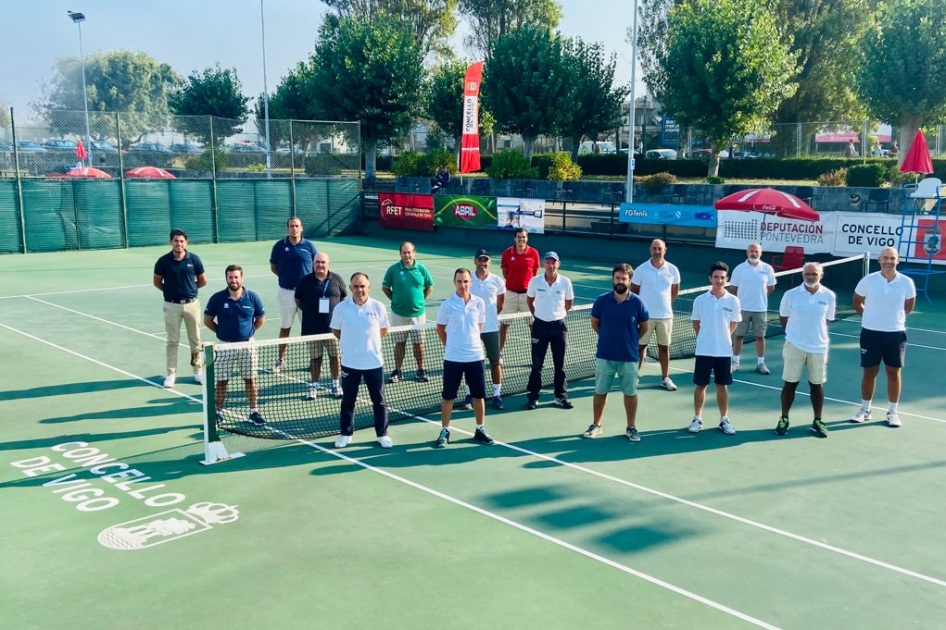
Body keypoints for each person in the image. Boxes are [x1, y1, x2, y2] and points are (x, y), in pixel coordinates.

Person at [849, 247, 916, 427]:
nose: (888, 261)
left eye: (892, 258)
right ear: (879, 260)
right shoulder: (868, 280)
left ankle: (892, 412)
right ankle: (865, 410)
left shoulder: (906, 282)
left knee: (893, 372)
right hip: (870, 333)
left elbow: (909, 304)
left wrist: (896, 319)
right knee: (869, 371)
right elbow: (857, 300)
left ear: (897, 260)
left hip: (896, 334)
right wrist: (867, 317)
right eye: (885, 258)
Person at [583, 263, 650, 441]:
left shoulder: (638, 302)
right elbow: (595, 323)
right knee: (600, 390)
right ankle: (596, 425)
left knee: (630, 393)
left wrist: (629, 340)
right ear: (613, 279)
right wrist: (608, 337)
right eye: (617, 278)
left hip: (629, 357)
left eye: (624, 278)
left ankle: (631, 427)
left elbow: (644, 328)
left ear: (629, 281)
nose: (620, 281)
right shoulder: (601, 301)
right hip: (605, 355)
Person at [433, 268, 495, 448]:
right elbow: (440, 328)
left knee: (478, 395)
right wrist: (451, 345)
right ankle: (445, 430)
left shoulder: (479, 303)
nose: (463, 285)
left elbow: (479, 326)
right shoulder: (447, 305)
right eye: (459, 281)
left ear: (471, 283)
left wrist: (469, 343)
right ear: (454, 283)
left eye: (466, 281)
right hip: (453, 358)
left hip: (475, 356)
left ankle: (480, 428)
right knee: (448, 397)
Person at [330, 272, 392, 449]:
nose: (359, 290)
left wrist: (369, 346)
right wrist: (352, 346)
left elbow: (383, 331)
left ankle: (382, 434)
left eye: (362, 286)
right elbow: (337, 331)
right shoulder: (342, 308)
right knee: (348, 401)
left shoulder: (378, 307)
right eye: (356, 286)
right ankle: (346, 434)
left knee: (379, 401)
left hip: (374, 363)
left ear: (368, 287)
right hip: (350, 363)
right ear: (350, 288)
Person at [775, 262, 837, 438]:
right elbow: (783, 317)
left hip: (818, 348)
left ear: (821, 276)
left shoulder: (829, 296)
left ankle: (817, 420)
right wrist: (796, 335)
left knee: (816, 385)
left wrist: (812, 336)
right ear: (803, 275)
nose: (810, 277)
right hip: (794, 346)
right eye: (807, 274)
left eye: (814, 274)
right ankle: (784, 418)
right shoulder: (791, 295)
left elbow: (826, 320)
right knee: (790, 384)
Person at [203, 265, 266, 426]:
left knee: (250, 380)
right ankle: (218, 412)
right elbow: (207, 320)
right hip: (224, 346)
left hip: (247, 346)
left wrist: (248, 333)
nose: (234, 280)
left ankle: (253, 412)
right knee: (222, 381)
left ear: (242, 278)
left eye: (236, 277)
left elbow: (260, 319)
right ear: (226, 279)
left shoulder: (252, 297)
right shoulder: (217, 298)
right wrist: (221, 333)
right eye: (230, 277)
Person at [689, 261, 742, 435]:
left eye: (722, 277)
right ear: (710, 278)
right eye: (716, 277)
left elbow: (733, 324)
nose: (719, 280)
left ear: (726, 279)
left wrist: (721, 338)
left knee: (722, 386)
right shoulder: (700, 300)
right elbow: (696, 324)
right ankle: (697, 418)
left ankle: (724, 419)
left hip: (724, 352)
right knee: (700, 386)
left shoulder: (734, 301)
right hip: (704, 351)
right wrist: (707, 339)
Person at [153, 228, 207, 388]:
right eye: (176, 241)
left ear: (186, 242)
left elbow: (202, 280)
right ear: (171, 242)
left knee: (195, 340)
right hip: (171, 306)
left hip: (192, 305)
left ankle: (198, 371)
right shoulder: (163, 261)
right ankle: (171, 375)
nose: (179, 244)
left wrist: (190, 291)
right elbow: (157, 282)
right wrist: (170, 293)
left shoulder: (194, 260)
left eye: (182, 241)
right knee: (172, 342)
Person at [525, 251, 575, 410]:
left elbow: (569, 303)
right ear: (543, 264)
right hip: (540, 325)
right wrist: (538, 315)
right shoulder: (535, 281)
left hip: (559, 326)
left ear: (558, 264)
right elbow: (529, 300)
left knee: (560, 364)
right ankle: (533, 397)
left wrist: (557, 315)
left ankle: (560, 397)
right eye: (548, 262)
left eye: (554, 262)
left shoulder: (565, 282)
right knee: (537, 364)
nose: (551, 265)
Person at [295, 252, 347, 400]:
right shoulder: (304, 281)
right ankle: (314, 386)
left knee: (335, 357)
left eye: (323, 262)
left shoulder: (337, 279)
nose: (320, 265)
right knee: (315, 359)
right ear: (313, 264)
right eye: (317, 262)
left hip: (333, 330)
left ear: (328, 264)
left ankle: (336, 384)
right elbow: (298, 300)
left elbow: (343, 297)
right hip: (312, 330)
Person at [631, 239, 681, 390]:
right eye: (654, 248)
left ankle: (665, 378)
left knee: (664, 348)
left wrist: (663, 304)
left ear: (665, 250)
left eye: (660, 248)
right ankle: (634, 376)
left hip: (665, 317)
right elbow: (633, 292)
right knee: (640, 347)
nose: (657, 251)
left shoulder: (672, 270)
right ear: (650, 250)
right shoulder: (641, 270)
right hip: (645, 317)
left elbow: (674, 292)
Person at [382, 242, 434, 383]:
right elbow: (385, 288)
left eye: (409, 252)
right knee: (400, 344)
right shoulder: (393, 270)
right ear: (400, 254)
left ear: (414, 252)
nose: (407, 255)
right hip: (398, 314)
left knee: (419, 344)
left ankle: (421, 369)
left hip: (418, 314)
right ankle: (397, 370)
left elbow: (429, 286)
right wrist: (395, 300)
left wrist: (420, 299)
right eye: (404, 252)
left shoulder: (422, 269)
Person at [270, 217, 318, 371]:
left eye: (297, 226)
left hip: (307, 295)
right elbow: (274, 267)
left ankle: (314, 360)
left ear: (301, 228)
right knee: (285, 327)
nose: (294, 228)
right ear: (287, 228)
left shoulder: (310, 246)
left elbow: (316, 267)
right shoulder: (279, 246)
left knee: (310, 328)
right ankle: (281, 360)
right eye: (291, 226)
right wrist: (286, 279)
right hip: (286, 293)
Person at [729, 242, 776, 374]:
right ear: (747, 252)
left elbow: (771, 287)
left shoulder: (767, 269)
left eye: (756, 251)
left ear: (760, 253)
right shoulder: (739, 269)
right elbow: (734, 289)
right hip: (742, 309)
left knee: (760, 337)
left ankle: (761, 364)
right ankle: (735, 362)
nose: (754, 253)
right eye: (751, 251)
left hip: (760, 309)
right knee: (738, 336)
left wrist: (760, 297)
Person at [469, 249, 506, 410]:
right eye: (480, 260)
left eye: (486, 260)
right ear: (475, 261)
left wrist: (488, 318)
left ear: (489, 262)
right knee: (470, 363)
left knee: (495, 362)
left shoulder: (497, 281)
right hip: (472, 330)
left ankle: (497, 394)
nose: (483, 263)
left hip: (491, 328)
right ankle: (469, 394)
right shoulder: (468, 279)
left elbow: (500, 305)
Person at [499, 228, 541, 354]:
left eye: (523, 237)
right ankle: (499, 354)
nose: (521, 239)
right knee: (504, 325)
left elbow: (534, 273)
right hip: (510, 295)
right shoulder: (507, 253)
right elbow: (505, 273)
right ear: (514, 238)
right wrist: (513, 284)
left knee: (533, 326)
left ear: (527, 238)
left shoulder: (533, 253)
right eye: (518, 237)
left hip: (527, 296)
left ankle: (536, 354)